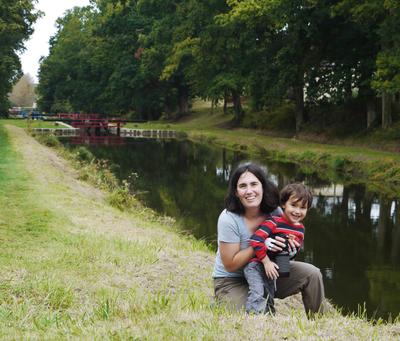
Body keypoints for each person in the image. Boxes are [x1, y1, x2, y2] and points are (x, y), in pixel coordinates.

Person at [212, 162, 326, 317]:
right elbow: (230, 265)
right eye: (243, 186)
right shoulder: (228, 218)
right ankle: (224, 298)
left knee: (312, 274)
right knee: (253, 316)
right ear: (236, 192)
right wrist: (261, 245)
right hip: (233, 279)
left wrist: (290, 250)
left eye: (254, 184)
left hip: (267, 271)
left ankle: (319, 321)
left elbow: (283, 249)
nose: (249, 191)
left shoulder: (275, 211)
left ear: (263, 187)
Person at [244, 183, 313, 314]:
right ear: (283, 204)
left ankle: (269, 319)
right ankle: (252, 321)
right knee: (258, 293)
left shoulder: (300, 229)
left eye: (303, 208)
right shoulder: (273, 221)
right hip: (257, 265)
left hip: (274, 267)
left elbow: (294, 252)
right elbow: (255, 240)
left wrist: (292, 250)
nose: (297, 211)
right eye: (293, 205)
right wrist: (266, 261)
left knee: (269, 295)